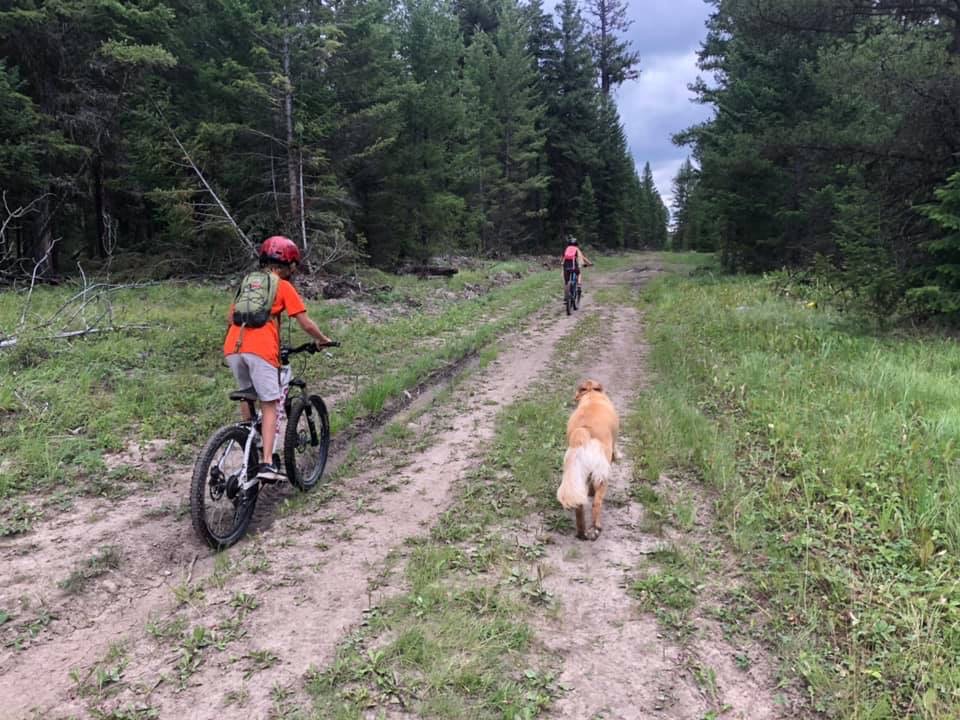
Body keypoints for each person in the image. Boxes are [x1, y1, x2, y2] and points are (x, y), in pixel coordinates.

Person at [223, 235, 333, 481]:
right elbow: (304, 322)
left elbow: (231, 318)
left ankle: (254, 442)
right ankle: (266, 464)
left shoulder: (249, 283)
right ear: (290, 265)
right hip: (260, 349)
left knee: (247, 393)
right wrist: (322, 339)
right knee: (270, 403)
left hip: (233, 347)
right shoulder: (283, 286)